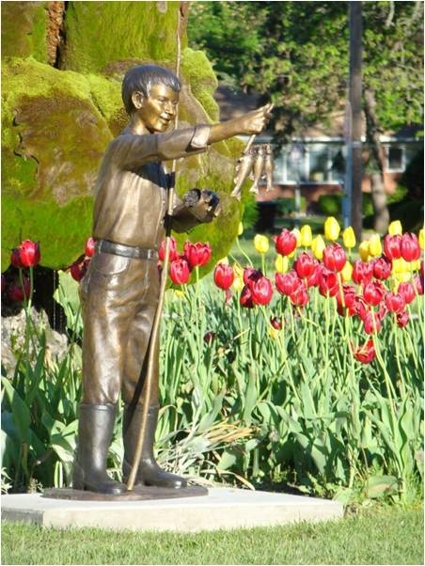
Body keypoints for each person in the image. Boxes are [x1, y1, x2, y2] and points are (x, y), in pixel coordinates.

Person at [72, 64, 272, 494]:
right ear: (138, 100)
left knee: (144, 374)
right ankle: (88, 469)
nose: (169, 110)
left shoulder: (158, 167)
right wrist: (234, 127)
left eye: (174, 104)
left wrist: (194, 212)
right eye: (163, 101)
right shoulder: (126, 148)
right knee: (103, 371)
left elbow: (167, 221)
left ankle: (142, 462)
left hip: (148, 271)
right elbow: (170, 144)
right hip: (114, 270)